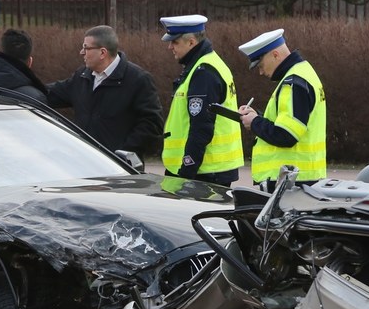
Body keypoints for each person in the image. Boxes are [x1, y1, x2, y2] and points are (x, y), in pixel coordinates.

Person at [45, 25, 163, 159]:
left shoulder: (138, 79)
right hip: (83, 163)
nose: (81, 52)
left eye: (86, 48)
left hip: (120, 169)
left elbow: (152, 124)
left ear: (102, 52)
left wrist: (123, 152)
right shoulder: (82, 76)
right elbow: (52, 94)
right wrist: (22, 86)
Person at [159, 14, 244, 187]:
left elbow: (201, 128)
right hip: (207, 169)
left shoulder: (204, 72)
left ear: (191, 42)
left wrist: (186, 173)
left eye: (174, 42)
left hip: (203, 172)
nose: (170, 47)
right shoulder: (204, 65)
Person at [237, 28, 326, 189]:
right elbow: (292, 124)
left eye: (261, 65)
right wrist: (258, 117)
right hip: (300, 178)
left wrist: (255, 122)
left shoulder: (292, 83)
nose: (261, 72)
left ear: (275, 55)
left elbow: (286, 135)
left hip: (289, 180)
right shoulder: (303, 73)